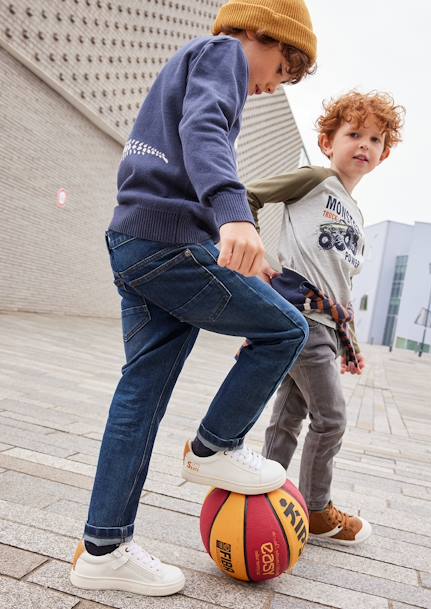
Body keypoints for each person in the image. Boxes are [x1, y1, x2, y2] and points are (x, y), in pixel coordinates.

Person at [70, 0, 317, 597]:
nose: (271, 87)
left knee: (141, 393)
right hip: (166, 245)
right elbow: (204, 130)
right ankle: (214, 448)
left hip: (136, 241)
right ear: (266, 35)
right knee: (286, 331)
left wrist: (228, 239)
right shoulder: (224, 51)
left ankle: (103, 549)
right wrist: (234, 216)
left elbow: (183, 150)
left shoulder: (192, 61)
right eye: (282, 70)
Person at [246, 91, 405, 545]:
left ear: (384, 154)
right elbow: (249, 196)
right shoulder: (315, 180)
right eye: (353, 134)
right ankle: (315, 509)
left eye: (375, 139)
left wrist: (347, 340)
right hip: (300, 316)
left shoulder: (356, 214)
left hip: (327, 328)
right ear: (327, 141)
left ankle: (263, 493)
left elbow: (343, 286)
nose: (364, 145)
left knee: (291, 412)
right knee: (331, 418)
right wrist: (254, 252)